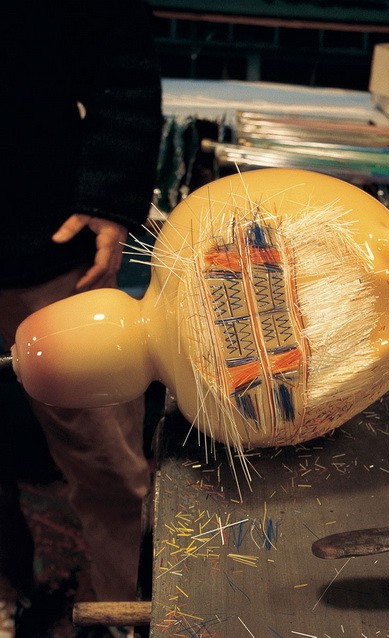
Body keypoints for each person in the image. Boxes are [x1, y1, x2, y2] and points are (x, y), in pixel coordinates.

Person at [0, 1, 163, 636]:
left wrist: (111, 195)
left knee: (108, 462)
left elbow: (122, 63)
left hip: (49, 237)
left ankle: (121, 607)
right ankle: (9, 590)